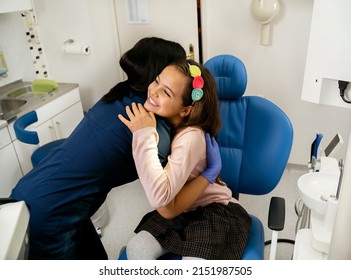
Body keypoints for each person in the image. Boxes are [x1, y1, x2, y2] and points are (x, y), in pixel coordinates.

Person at [9, 37, 187, 260]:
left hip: (36, 193)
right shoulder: (144, 123)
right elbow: (166, 196)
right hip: (50, 216)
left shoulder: (118, 94)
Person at [118, 59, 252, 260]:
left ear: (186, 110)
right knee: (138, 249)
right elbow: (166, 206)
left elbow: (160, 199)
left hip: (214, 210)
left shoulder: (190, 137)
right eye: (156, 81)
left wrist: (143, 134)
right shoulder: (164, 122)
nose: (154, 91)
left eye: (166, 92)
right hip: (182, 209)